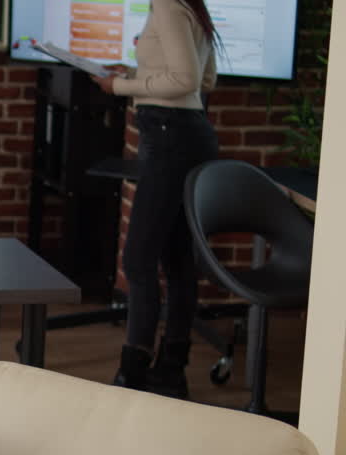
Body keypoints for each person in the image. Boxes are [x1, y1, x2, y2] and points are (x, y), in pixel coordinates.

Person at [94, 0, 219, 398]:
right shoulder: (187, 5)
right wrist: (135, 74)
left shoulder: (167, 4)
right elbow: (206, 80)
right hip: (188, 133)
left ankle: (133, 372)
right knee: (178, 259)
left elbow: (185, 80)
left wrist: (122, 87)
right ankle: (170, 370)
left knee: (139, 258)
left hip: (168, 136)